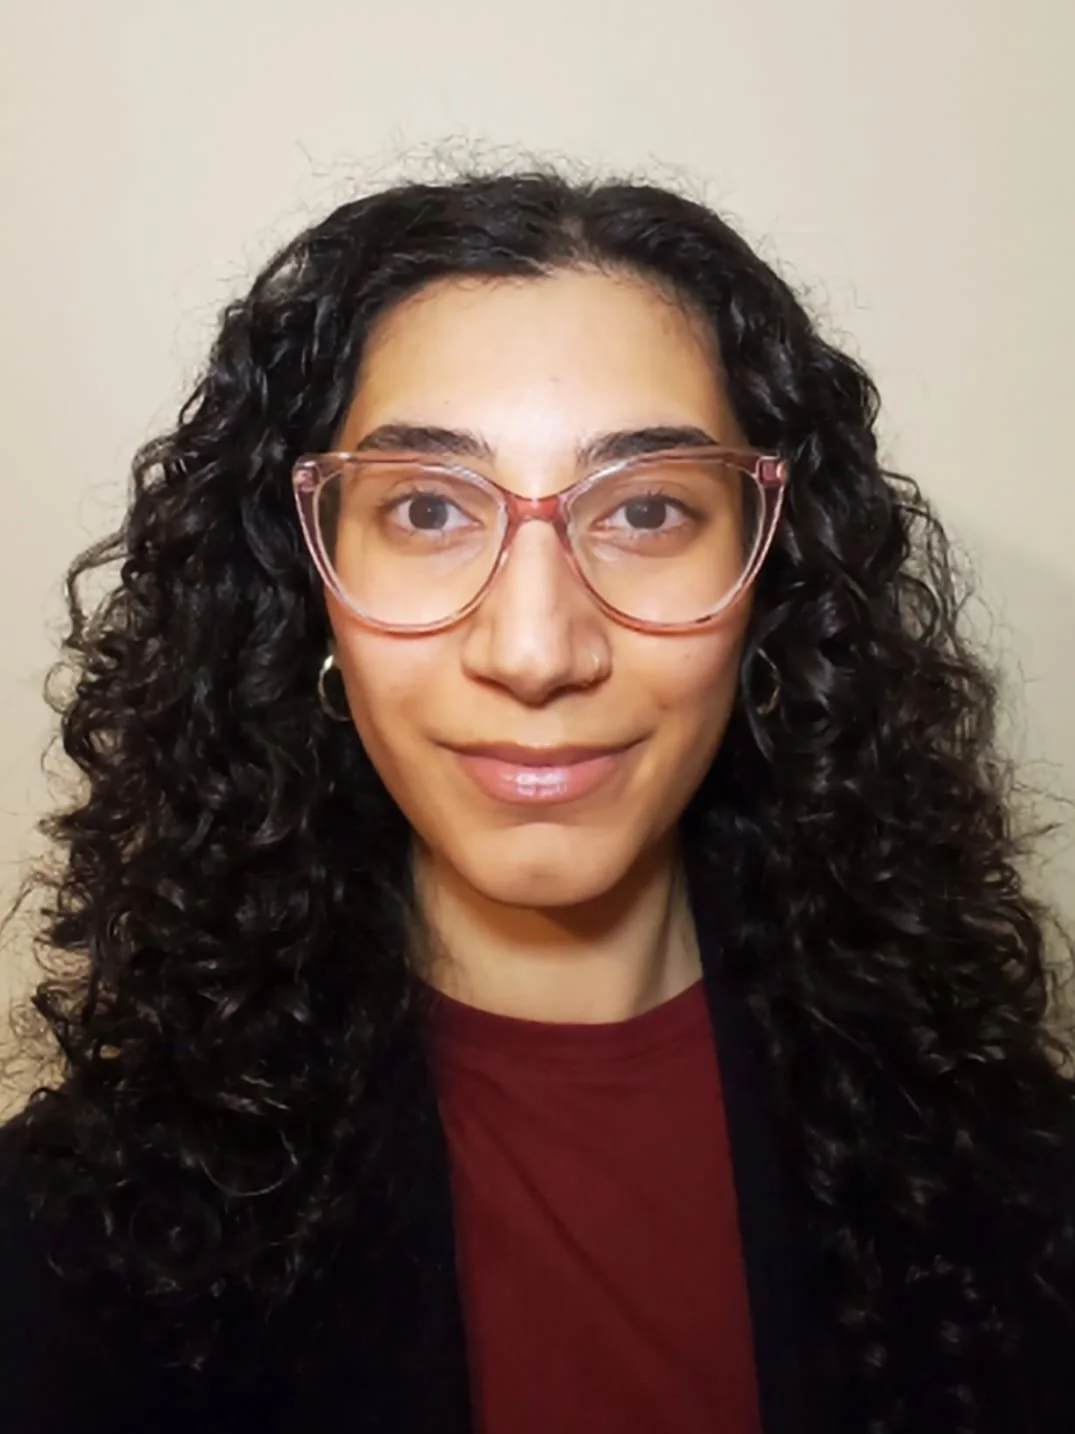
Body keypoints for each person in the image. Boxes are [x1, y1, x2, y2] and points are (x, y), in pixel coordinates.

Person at [1, 167, 1073, 1434]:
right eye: (427, 508)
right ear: (311, 595)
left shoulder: (1015, 1186)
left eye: (648, 510)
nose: (534, 649)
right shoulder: (63, 1251)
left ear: (766, 589)